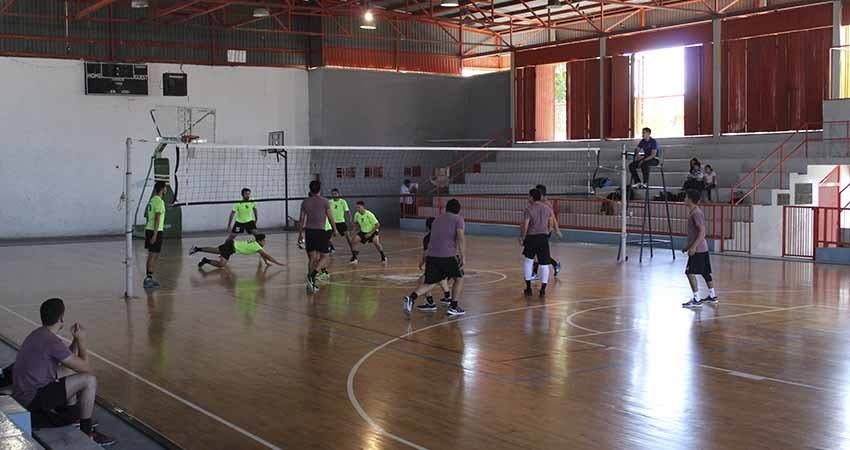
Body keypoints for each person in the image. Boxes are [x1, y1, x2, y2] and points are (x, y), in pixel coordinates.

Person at [12, 298, 115, 445]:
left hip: (23, 393)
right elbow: (85, 367)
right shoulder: (51, 342)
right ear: (61, 318)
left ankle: (73, 417)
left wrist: (74, 341)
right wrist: (82, 341)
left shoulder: (39, 334)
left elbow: (69, 361)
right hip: (32, 399)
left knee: (69, 371)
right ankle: (87, 432)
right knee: (89, 380)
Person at [403, 199, 466, 316]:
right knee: (459, 278)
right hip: (447, 255)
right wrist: (463, 256)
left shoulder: (437, 220)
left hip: (432, 256)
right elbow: (460, 237)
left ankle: (411, 298)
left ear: (447, 208)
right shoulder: (458, 219)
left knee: (431, 281)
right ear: (458, 209)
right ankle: (453, 306)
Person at [298, 180, 338, 292]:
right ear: (320, 189)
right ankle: (313, 275)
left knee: (312, 258)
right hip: (320, 232)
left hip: (309, 232)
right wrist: (335, 229)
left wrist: (300, 234)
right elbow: (330, 217)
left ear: (310, 189)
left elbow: (301, 220)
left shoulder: (305, 202)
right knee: (325, 256)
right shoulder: (325, 201)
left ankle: (310, 284)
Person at [681, 190, 718, 308]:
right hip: (702, 248)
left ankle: (696, 299)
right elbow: (695, 233)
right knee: (705, 272)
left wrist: (693, 247)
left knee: (689, 272)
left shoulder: (696, 213)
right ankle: (712, 295)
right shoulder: (694, 212)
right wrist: (687, 247)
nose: (684, 199)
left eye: (686, 197)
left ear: (690, 199)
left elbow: (702, 232)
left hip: (699, 249)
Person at [521, 188, 556, 298]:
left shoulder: (528, 209)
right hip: (543, 238)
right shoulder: (547, 208)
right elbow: (551, 225)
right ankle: (543, 289)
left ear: (531, 197)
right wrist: (547, 233)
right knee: (544, 264)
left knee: (528, 261)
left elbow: (526, 225)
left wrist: (523, 237)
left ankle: (528, 288)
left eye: (528, 196)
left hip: (531, 238)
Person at [416, 217, 453, 310]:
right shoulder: (444, 235)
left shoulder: (428, 238)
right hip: (448, 262)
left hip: (435, 263)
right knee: (441, 278)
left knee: (423, 280)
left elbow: (426, 254)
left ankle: (430, 303)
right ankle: (448, 297)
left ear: (427, 227)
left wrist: (421, 263)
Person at [191, 234, 285, 269]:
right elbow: (266, 255)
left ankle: (198, 251)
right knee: (221, 264)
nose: (265, 242)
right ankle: (203, 256)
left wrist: (266, 262)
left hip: (231, 245)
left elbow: (263, 255)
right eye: (264, 240)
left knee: (216, 251)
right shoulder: (257, 246)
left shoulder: (255, 244)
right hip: (231, 247)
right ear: (260, 241)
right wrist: (277, 262)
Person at [530, 184, 563, 279]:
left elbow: (552, 218)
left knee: (537, 252)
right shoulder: (537, 203)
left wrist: (555, 230)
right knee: (539, 253)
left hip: (545, 231)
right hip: (537, 230)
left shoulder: (547, 204)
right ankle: (555, 264)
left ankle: (534, 273)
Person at [144, 181, 167, 289]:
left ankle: (149, 277)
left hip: (149, 229)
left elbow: (150, 217)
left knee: (151, 254)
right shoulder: (159, 201)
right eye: (165, 188)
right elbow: (157, 217)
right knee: (153, 255)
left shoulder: (152, 200)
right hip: (155, 230)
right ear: (162, 189)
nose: (166, 190)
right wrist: (155, 234)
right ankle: (148, 279)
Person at [328, 189, 354, 255]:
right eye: (333, 194)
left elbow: (348, 212)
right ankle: (331, 248)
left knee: (348, 237)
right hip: (332, 222)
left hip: (341, 222)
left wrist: (350, 219)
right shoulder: (329, 202)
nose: (334, 195)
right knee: (328, 237)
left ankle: (353, 250)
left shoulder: (343, 202)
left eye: (335, 194)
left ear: (338, 194)